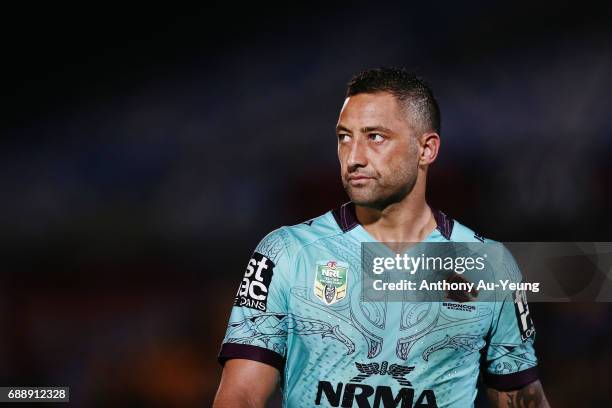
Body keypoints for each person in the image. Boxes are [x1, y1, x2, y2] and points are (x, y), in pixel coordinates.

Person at [213, 67, 549, 407]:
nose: (354, 157)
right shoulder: (287, 252)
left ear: (427, 149)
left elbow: (519, 393)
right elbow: (240, 395)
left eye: (375, 137)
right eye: (345, 137)